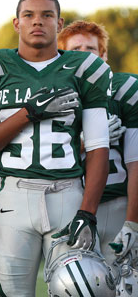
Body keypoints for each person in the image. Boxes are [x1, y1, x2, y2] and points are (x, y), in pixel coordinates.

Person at [0, 0, 111, 296]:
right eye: (29, 15)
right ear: (17, 23)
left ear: (59, 22)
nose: (37, 22)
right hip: (14, 198)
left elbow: (98, 148)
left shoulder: (84, 68)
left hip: (68, 194)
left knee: (82, 290)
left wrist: (87, 212)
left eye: (46, 15)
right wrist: (27, 114)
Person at [58, 20, 138, 267]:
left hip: (118, 204)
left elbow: (136, 163)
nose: (82, 57)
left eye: (90, 49)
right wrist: (86, 143)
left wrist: (132, 222)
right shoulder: (55, 95)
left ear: (103, 55)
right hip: (70, 208)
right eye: (75, 50)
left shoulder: (126, 89)